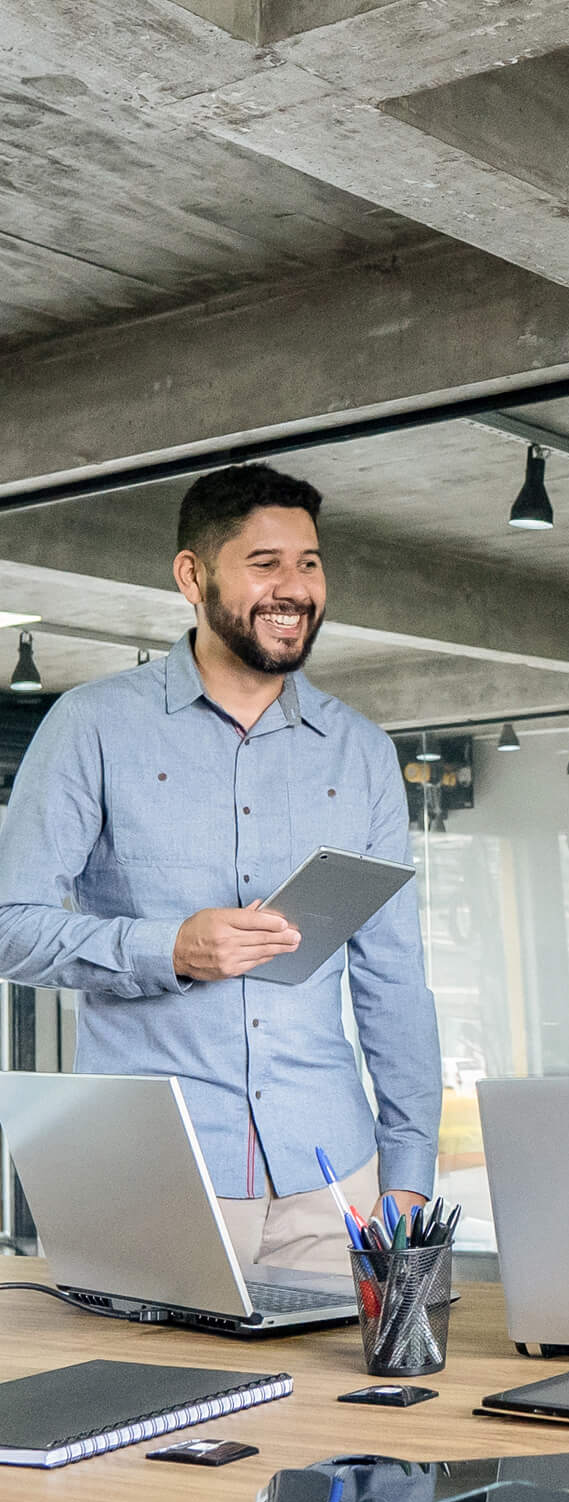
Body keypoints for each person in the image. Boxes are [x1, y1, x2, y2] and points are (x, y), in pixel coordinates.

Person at [0, 463, 441, 1272]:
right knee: (156, 1400)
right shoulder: (93, 728)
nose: (295, 587)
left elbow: (395, 979)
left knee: (333, 1399)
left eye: (308, 562)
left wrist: (408, 1171)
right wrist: (167, 949)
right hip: (154, 1174)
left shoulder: (363, 754)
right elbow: (7, 927)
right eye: (264, 563)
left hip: (331, 1179)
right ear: (192, 575)